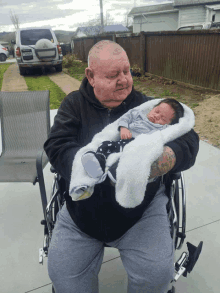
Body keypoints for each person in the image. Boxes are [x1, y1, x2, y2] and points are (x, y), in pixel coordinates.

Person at [44, 40, 199, 293]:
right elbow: (56, 145)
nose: (124, 80)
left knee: (157, 276)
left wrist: (160, 161)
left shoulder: (148, 106)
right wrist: (95, 167)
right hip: (82, 213)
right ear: (91, 76)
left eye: (127, 71)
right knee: (64, 278)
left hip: (140, 213)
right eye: (113, 75)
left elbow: (189, 137)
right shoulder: (74, 105)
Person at [81, 98, 184, 181]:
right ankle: (97, 161)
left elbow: (169, 135)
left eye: (162, 118)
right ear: (152, 108)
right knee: (106, 145)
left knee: (129, 159)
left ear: (167, 124)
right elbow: (125, 118)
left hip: (137, 146)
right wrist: (123, 128)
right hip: (124, 140)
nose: (156, 116)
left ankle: (116, 172)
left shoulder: (162, 129)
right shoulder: (139, 114)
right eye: (156, 111)